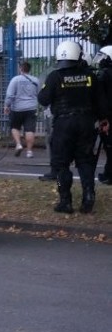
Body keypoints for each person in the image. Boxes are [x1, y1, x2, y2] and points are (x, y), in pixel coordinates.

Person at [38, 41, 102, 214]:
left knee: (60, 165)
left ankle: (65, 200)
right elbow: (99, 102)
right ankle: (89, 195)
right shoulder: (90, 76)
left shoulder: (55, 76)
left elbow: (43, 99)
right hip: (86, 123)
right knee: (85, 162)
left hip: (63, 125)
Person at [4, 62, 40, 158]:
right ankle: (29, 152)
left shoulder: (15, 80)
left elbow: (10, 95)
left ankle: (19, 144)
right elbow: (39, 93)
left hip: (17, 108)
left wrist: (7, 105)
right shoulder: (36, 80)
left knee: (15, 127)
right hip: (32, 107)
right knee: (30, 130)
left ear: (20, 69)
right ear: (29, 69)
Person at [93, 46, 112, 185]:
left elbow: (100, 98)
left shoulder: (104, 74)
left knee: (109, 147)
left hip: (109, 116)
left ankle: (109, 174)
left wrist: (102, 118)